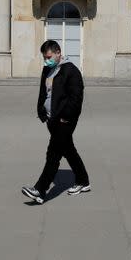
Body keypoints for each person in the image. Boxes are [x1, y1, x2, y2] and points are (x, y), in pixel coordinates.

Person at [22, 40, 89, 204]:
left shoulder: (71, 71)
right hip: (51, 119)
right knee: (68, 150)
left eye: (49, 57)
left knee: (53, 153)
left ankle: (40, 190)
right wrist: (41, 110)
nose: (47, 60)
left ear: (58, 53)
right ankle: (83, 181)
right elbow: (43, 92)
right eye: (45, 57)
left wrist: (66, 116)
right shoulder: (48, 69)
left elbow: (76, 98)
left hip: (64, 120)